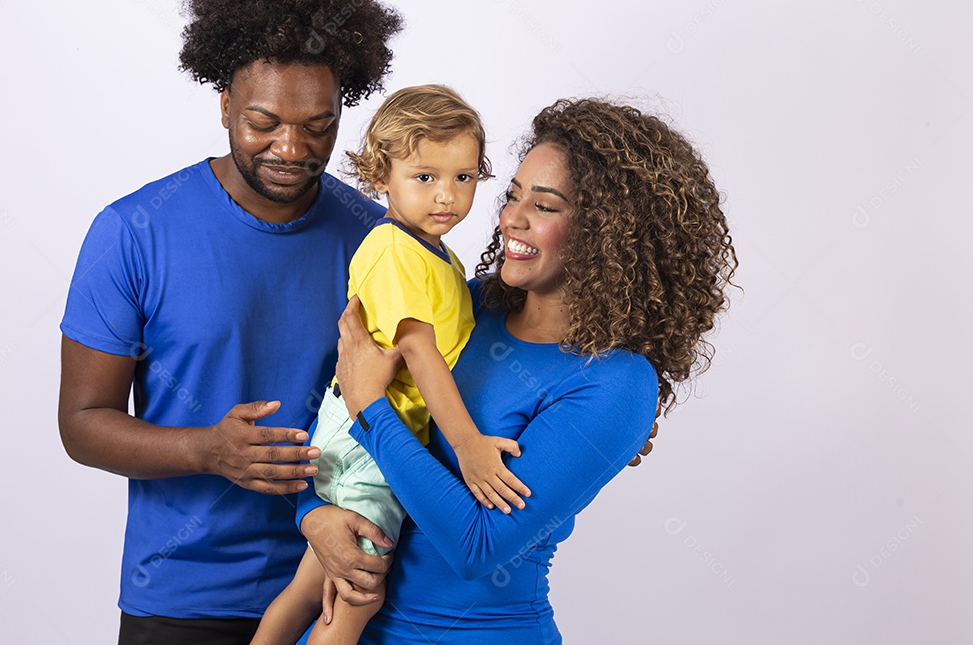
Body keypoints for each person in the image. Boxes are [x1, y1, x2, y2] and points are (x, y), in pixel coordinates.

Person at [57, 0, 405, 644]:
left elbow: (452, 356)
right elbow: (83, 422)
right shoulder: (134, 232)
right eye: (264, 121)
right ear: (223, 104)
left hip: (342, 587)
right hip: (183, 600)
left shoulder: (378, 238)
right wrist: (205, 450)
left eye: (318, 125)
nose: (292, 147)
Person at [305, 97, 738, 643]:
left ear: (605, 232)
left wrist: (373, 410)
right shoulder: (470, 307)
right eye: (512, 195)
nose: (511, 216)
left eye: (545, 205)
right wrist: (312, 515)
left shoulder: (615, 383)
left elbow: (476, 546)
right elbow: (338, 424)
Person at [252, 85, 529, 645]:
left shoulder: (435, 251)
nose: (446, 195)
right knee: (359, 593)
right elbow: (420, 352)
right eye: (424, 177)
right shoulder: (394, 251)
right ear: (381, 174)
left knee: (310, 588)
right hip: (368, 438)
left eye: (464, 177)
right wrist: (469, 444)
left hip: (361, 429)